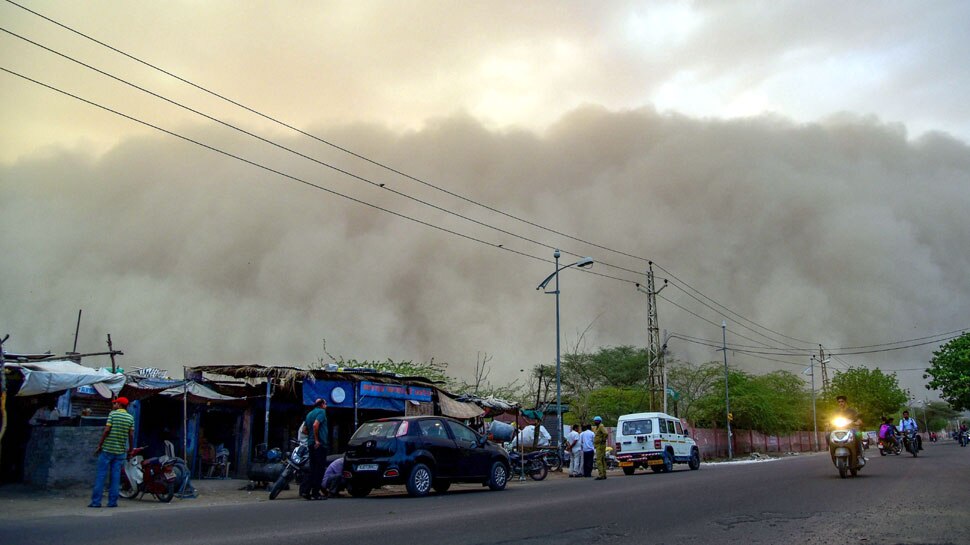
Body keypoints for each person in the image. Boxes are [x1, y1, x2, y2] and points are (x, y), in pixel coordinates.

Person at [89, 397, 135, 508]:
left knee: (101, 475)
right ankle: (112, 502)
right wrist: (131, 449)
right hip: (120, 451)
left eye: (115, 403)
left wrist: (100, 445)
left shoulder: (112, 414)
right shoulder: (130, 418)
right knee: (115, 478)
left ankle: (96, 502)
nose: (114, 405)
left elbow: (106, 430)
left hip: (107, 450)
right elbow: (131, 435)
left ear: (119, 405)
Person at [300, 398, 329, 500]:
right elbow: (315, 424)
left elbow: (304, 430)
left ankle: (306, 491)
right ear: (321, 405)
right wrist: (317, 439)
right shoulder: (321, 412)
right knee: (319, 469)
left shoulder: (309, 414)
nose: (326, 405)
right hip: (319, 445)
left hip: (311, 444)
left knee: (312, 468)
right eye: (325, 403)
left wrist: (312, 437)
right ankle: (315, 493)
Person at [832, 395, 864, 463]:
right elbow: (831, 420)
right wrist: (828, 424)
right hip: (838, 430)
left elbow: (859, 420)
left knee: (858, 434)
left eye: (842, 401)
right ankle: (832, 451)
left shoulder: (852, 411)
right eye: (839, 402)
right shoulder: (835, 412)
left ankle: (859, 454)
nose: (840, 403)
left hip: (851, 429)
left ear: (845, 402)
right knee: (828, 436)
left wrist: (857, 423)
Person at [592, 416, 609, 480]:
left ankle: (601, 475)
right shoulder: (597, 427)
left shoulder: (601, 426)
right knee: (602, 460)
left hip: (600, 445)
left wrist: (603, 440)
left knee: (599, 460)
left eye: (596, 421)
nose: (594, 422)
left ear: (599, 421)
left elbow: (606, 433)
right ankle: (603, 474)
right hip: (598, 445)